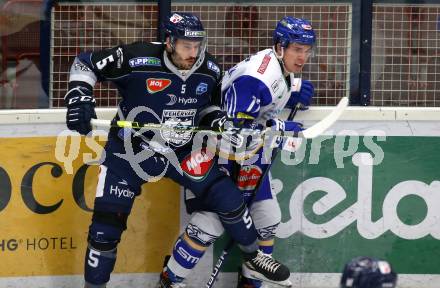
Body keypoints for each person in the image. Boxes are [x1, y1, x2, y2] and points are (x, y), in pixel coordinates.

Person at [64, 12, 291, 288]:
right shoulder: (138, 58)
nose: (193, 53)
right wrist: (79, 98)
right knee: (105, 229)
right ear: (169, 42)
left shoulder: (209, 69)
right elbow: (84, 63)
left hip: (183, 151)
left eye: (197, 46)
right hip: (129, 150)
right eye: (186, 45)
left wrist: (220, 122)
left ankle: (254, 257)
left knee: (229, 198)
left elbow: (210, 107)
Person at [162, 16, 316, 288]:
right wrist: (278, 126)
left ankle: (251, 279)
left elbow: (263, 100)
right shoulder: (258, 79)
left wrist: (293, 89)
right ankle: (170, 278)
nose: (302, 57)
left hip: (249, 153)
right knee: (210, 223)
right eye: (296, 50)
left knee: (268, 218)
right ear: (280, 47)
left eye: (306, 50)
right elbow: (233, 132)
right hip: (215, 151)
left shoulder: (276, 68)